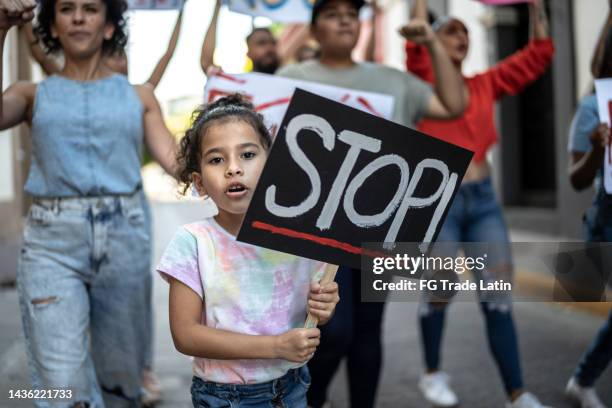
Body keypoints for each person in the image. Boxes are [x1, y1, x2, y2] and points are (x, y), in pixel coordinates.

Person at [276, 0, 465, 406]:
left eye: (351, 12)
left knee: (367, 331)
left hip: (380, 230)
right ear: (313, 30)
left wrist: (432, 41)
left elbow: (453, 105)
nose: (344, 18)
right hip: (315, 230)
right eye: (331, 13)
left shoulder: (393, 81)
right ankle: (313, 397)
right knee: (335, 330)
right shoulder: (291, 77)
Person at [0, 0, 177, 406]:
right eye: (66, 9)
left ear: (110, 26)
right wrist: (1, 30)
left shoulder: (140, 96)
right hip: (50, 246)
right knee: (62, 385)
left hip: (124, 242)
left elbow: (178, 164)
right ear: (53, 26)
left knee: (121, 383)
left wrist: (229, 142)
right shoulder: (31, 94)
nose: (78, 17)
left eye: (91, 8)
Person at [404, 0, 554, 407]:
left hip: (484, 202)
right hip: (441, 202)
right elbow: (417, 36)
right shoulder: (424, 81)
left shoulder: (485, 84)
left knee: (497, 294)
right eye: (451, 30)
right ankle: (432, 373)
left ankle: (517, 393)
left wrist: (537, 8)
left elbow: (536, 56)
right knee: (440, 288)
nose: (460, 37)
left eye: (465, 34)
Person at [156, 94, 340, 407]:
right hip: (225, 397)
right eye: (217, 159)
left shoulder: (299, 238)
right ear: (199, 183)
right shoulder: (193, 241)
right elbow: (185, 335)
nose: (233, 169)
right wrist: (275, 347)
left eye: (248, 155)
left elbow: (311, 313)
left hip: (293, 387)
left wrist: (325, 308)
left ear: (272, 166)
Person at [565, 6, 612, 407]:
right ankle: (582, 379)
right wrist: (597, 150)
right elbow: (575, 178)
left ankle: (582, 379)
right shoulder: (593, 106)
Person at [20, 0, 187, 89]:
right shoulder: (71, 86)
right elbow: (41, 56)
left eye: (122, 56)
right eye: (113, 55)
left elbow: (168, 54)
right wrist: (24, 18)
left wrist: (182, 11)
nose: (121, 60)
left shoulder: (138, 96)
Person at [200, 0, 311, 76]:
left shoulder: (287, 78)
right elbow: (207, 63)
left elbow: (308, 23)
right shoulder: (237, 83)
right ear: (248, 53)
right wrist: (218, 6)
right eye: (261, 43)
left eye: (273, 43)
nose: (270, 47)